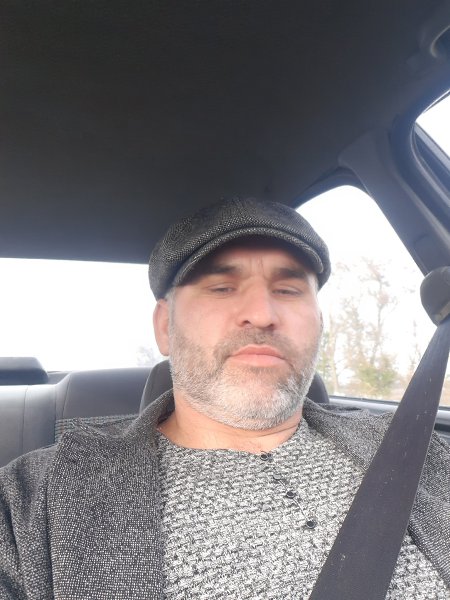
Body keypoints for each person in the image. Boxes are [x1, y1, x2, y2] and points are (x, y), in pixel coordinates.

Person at [0, 197, 449, 599]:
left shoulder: (417, 448)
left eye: (288, 290)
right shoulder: (31, 499)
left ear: (319, 322)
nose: (262, 314)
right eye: (221, 287)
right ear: (164, 326)